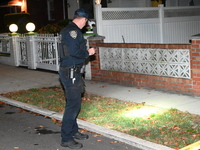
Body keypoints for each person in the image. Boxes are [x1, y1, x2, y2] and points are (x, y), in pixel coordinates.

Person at [58, 8, 96, 149]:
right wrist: (88, 52)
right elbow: (74, 52)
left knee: (74, 104)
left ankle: (73, 131)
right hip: (71, 72)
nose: (85, 25)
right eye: (86, 22)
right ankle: (66, 138)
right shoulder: (72, 32)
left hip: (72, 72)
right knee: (73, 106)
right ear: (83, 19)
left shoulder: (69, 30)